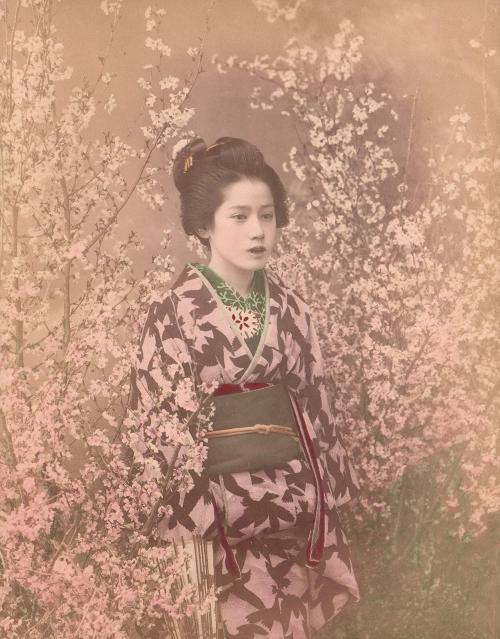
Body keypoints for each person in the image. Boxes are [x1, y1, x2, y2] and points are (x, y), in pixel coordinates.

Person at [130, 137, 360, 638]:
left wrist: (324, 507)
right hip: (213, 524)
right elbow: (158, 427)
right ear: (203, 225)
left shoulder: (293, 310)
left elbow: (317, 409)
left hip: (290, 514)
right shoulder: (172, 314)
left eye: (267, 215)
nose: (258, 231)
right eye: (239, 216)